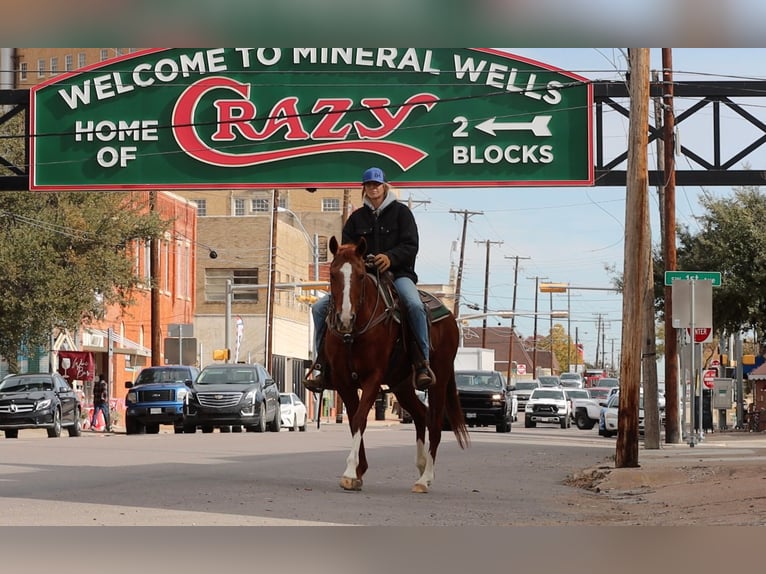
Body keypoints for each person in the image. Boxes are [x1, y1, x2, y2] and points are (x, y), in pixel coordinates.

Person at [304, 166, 434, 391]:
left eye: (377, 184)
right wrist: (360, 263)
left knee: (414, 305)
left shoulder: (402, 213)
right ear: (364, 188)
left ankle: (422, 363)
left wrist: (390, 258)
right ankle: (321, 366)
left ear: (385, 186)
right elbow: (346, 251)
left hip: (398, 275)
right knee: (318, 309)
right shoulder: (356, 219)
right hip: (361, 278)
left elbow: (411, 246)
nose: (373, 188)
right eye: (369, 185)